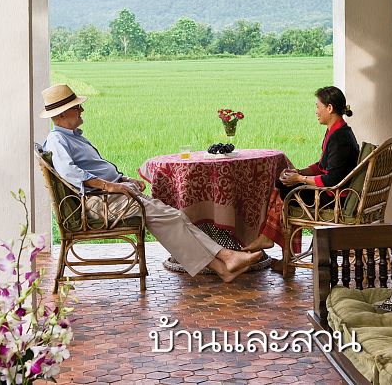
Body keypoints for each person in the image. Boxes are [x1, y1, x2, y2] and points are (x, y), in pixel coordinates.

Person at [39, 83, 261, 283]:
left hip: (113, 195)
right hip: (101, 202)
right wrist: (111, 186)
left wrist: (123, 179)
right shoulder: (58, 139)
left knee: (176, 216)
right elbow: (70, 172)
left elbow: (92, 169)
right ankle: (226, 257)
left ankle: (223, 268)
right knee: (171, 218)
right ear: (63, 113)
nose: (82, 110)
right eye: (77, 107)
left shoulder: (72, 136)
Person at [241, 86, 359, 263]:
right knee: (282, 185)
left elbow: (332, 179)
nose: (316, 111)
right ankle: (276, 245)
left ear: (329, 108)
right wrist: (299, 172)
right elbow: (321, 166)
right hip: (330, 192)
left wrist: (299, 179)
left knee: (283, 190)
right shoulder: (335, 131)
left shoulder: (340, 138)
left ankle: (276, 246)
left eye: (318, 106)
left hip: (332, 198)